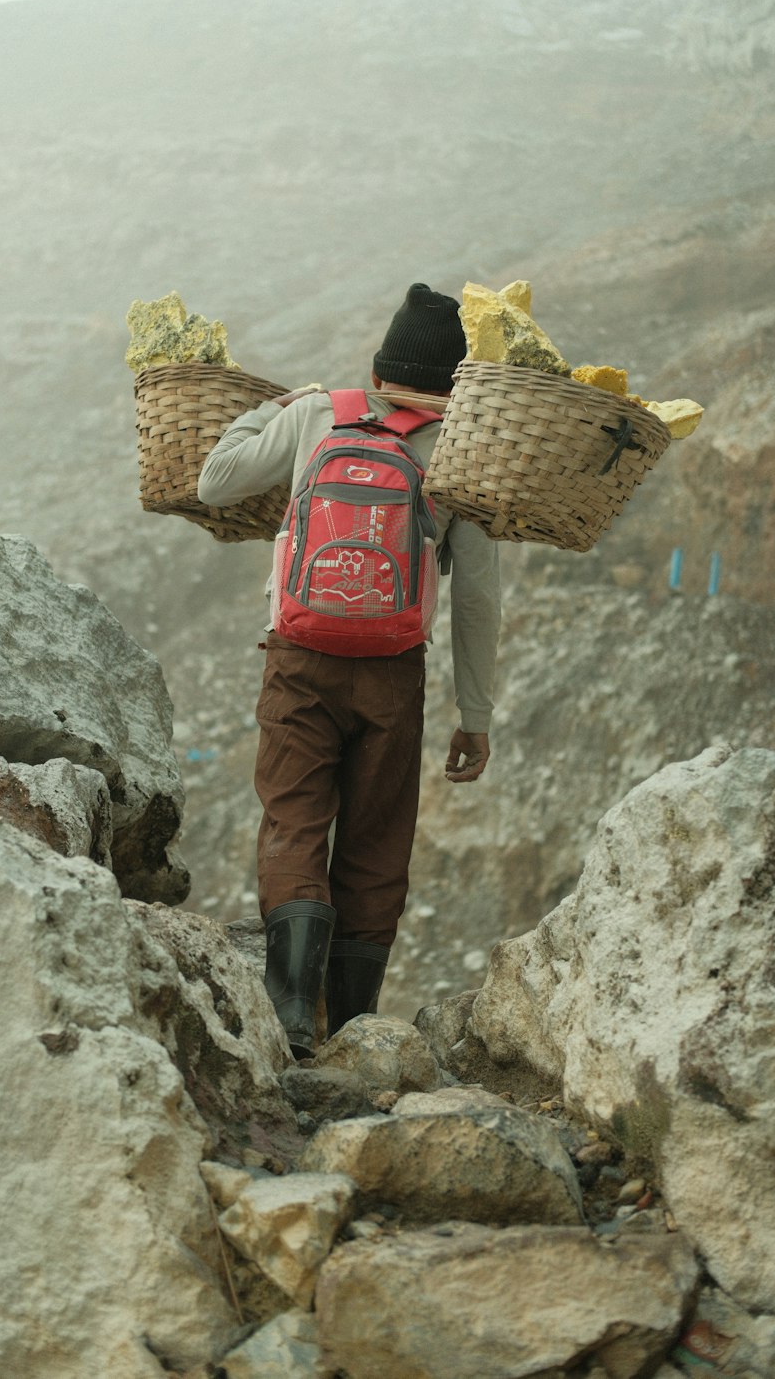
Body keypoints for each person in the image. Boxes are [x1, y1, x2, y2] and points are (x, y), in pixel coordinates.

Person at [197, 283, 501, 1057]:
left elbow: (214, 480)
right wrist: (476, 715)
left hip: (300, 657)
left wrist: (274, 408)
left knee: (295, 817)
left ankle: (293, 1014)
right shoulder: (463, 450)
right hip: (395, 671)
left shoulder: (318, 415)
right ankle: (356, 1029)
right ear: (453, 381)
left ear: (381, 362)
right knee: (375, 841)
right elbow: (477, 596)